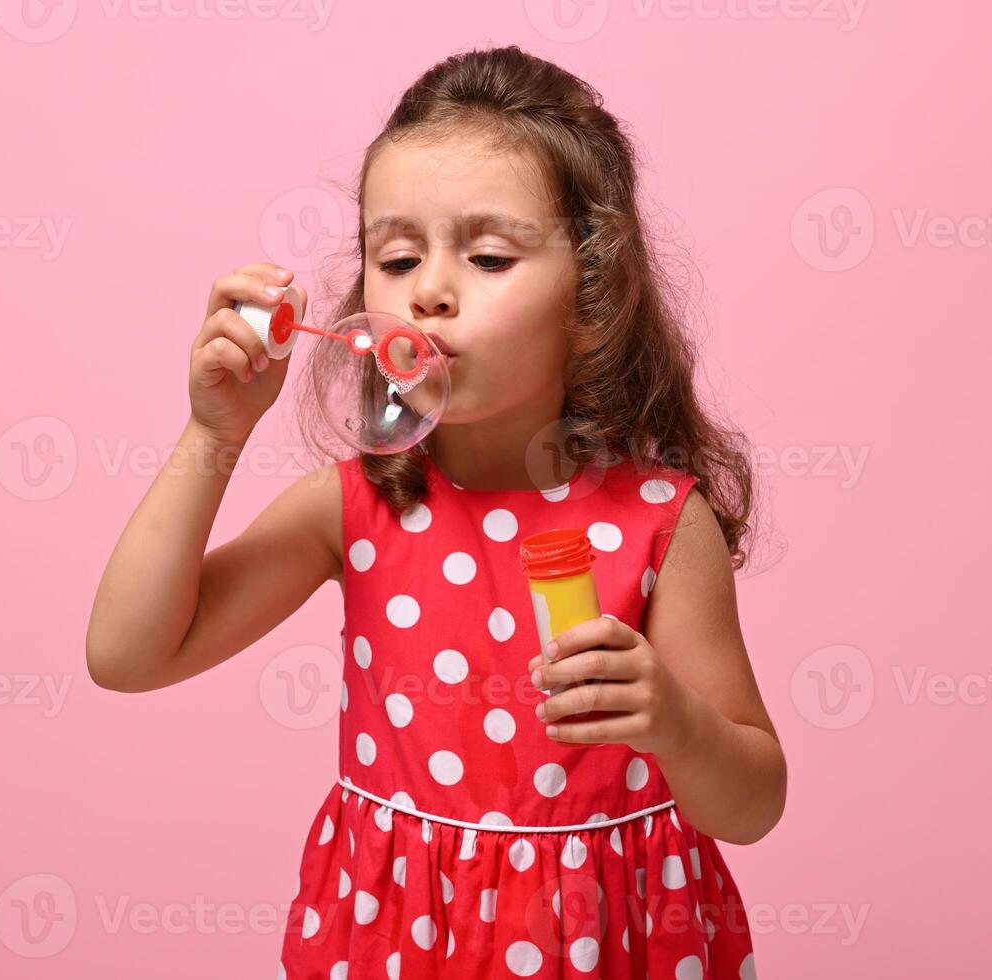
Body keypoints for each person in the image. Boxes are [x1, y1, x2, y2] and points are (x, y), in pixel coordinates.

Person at [87, 44, 784, 980]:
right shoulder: (357, 507)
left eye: (488, 255)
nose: (428, 290)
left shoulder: (659, 521)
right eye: (398, 255)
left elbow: (750, 806)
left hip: (607, 943)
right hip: (400, 937)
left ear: (591, 297)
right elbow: (128, 656)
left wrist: (672, 722)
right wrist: (214, 432)